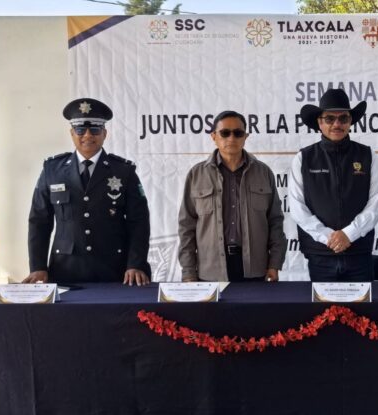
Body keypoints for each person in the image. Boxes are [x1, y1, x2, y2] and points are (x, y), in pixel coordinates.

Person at [24, 98, 151, 285]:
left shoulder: (124, 171)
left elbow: (139, 222)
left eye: (95, 130)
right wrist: (38, 267)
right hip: (65, 270)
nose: (88, 135)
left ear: (104, 134)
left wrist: (136, 264)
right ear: (71, 133)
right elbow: (39, 221)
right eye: (80, 130)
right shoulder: (52, 170)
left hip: (116, 270)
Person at [178, 110, 286, 282]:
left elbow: (275, 221)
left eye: (238, 133)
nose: (231, 138)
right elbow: (186, 227)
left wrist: (274, 264)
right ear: (214, 136)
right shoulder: (196, 175)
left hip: (255, 268)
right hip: (211, 269)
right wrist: (188, 271)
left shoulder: (263, 173)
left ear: (246, 137)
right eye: (225, 133)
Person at [289, 89, 378, 281]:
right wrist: (328, 237)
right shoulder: (303, 158)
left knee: (363, 302)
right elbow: (297, 207)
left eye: (343, 118)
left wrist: (349, 234)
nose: (337, 124)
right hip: (320, 255)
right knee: (322, 303)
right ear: (319, 122)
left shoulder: (367, 156)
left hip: (359, 253)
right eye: (329, 118)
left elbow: (376, 203)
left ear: (350, 121)